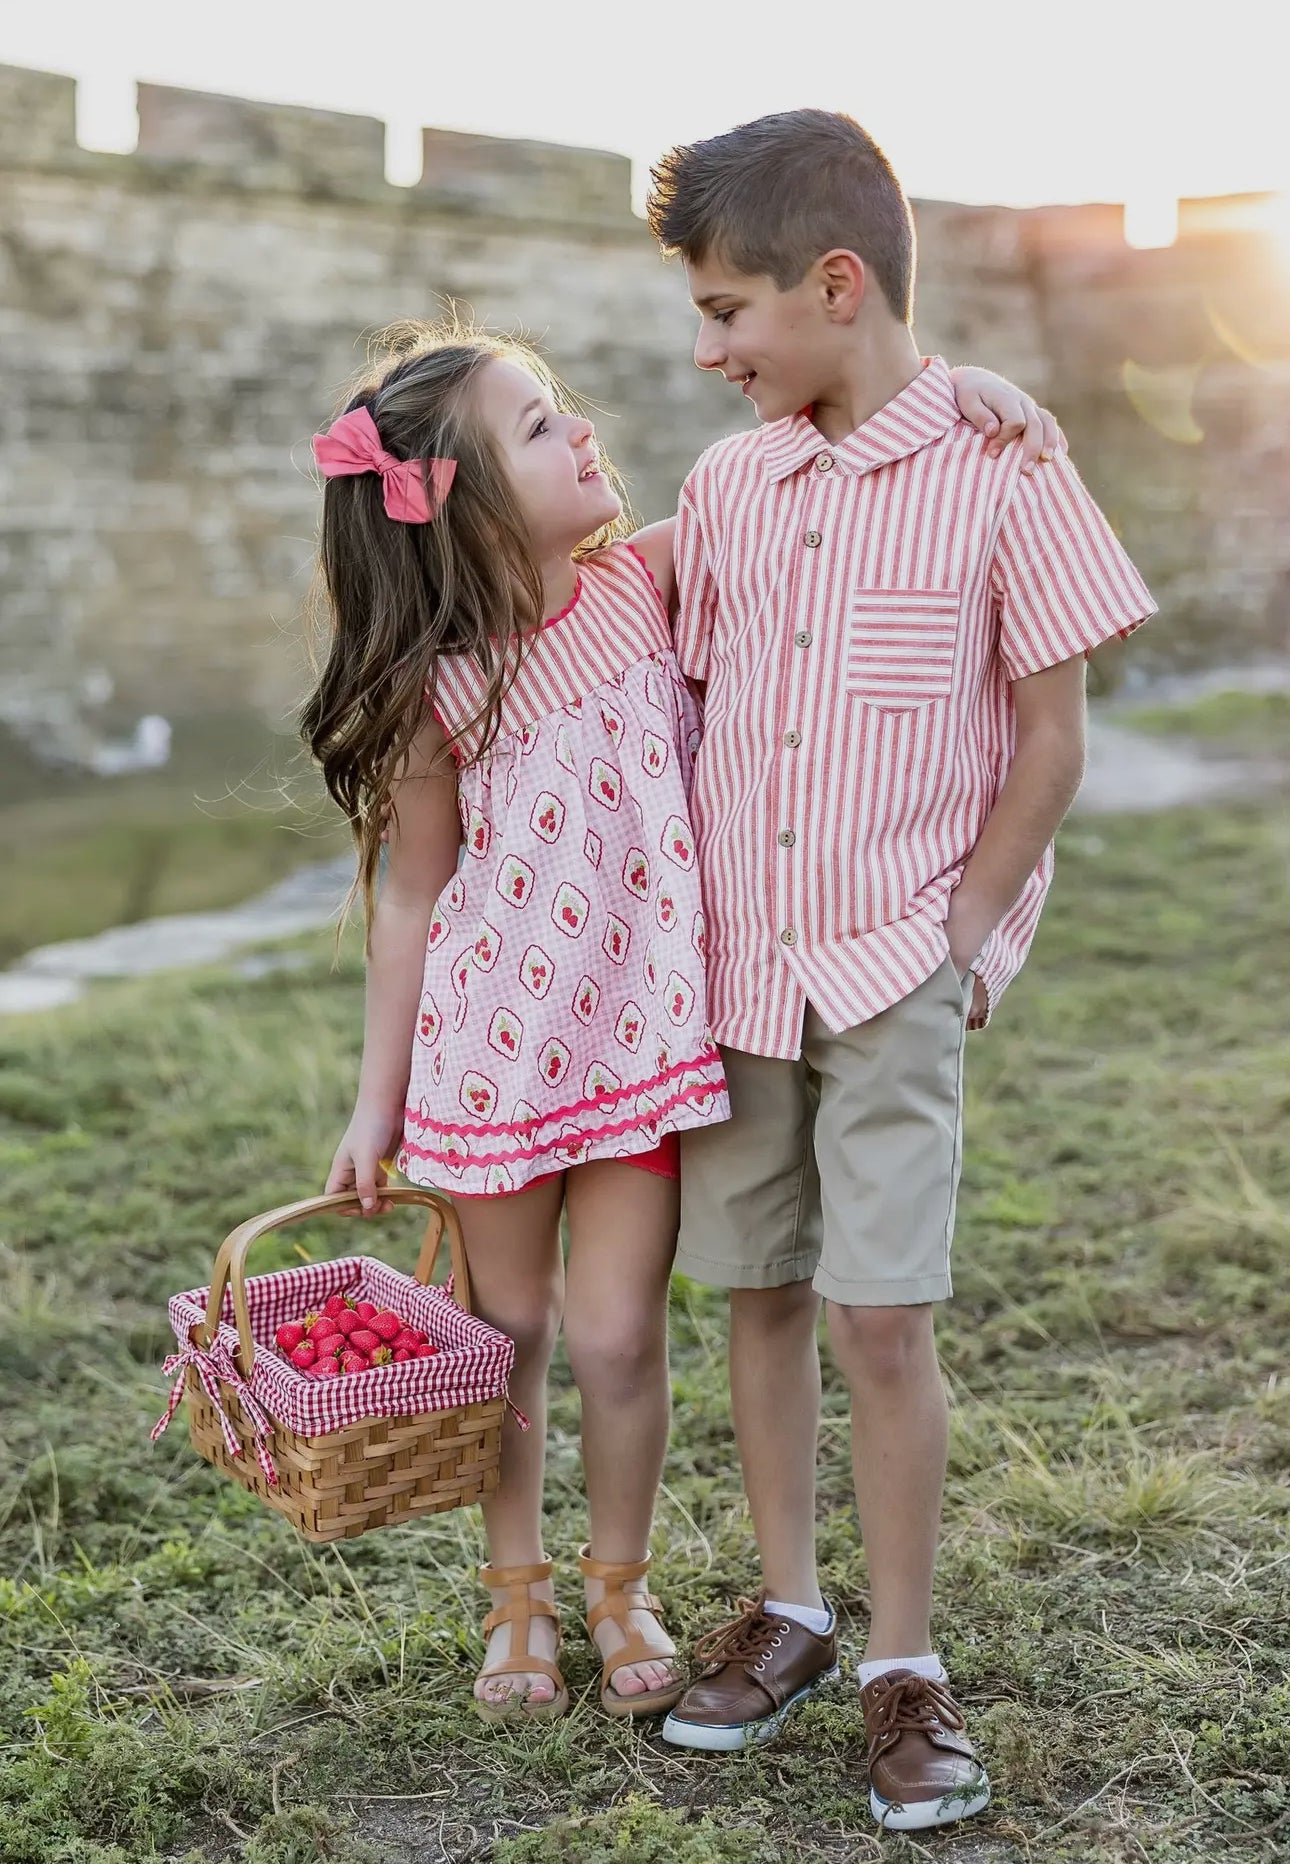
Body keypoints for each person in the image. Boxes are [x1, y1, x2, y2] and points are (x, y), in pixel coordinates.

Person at [301, 316, 1062, 1728]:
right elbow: (412, 899)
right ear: (458, 503)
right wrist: (375, 1099)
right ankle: (517, 1592)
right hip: (492, 1064)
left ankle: (618, 1581)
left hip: (646, 1051)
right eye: (538, 427)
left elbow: (822, 480)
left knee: (615, 1339)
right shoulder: (434, 689)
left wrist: (962, 390)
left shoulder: (643, 588)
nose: (583, 431)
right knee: (509, 1333)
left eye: (561, 407)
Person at [645, 111, 1156, 1832]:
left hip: (894, 960)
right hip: (740, 966)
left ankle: (901, 1662)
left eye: (726, 312)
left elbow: (1048, 742)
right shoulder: (727, 487)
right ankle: (791, 1611)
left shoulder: (1008, 465)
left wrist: (962, 933)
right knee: (763, 1288)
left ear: (835, 285)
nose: (705, 349)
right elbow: (656, 662)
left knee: (879, 1311)